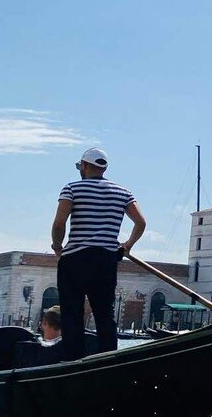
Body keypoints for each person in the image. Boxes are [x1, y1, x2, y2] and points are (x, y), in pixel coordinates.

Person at [50, 147, 146, 360]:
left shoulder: (71, 188)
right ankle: (109, 360)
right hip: (106, 259)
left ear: (84, 166)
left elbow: (59, 224)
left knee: (72, 313)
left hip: (75, 257)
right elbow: (140, 223)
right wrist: (127, 245)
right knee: (105, 314)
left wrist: (58, 247)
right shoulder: (123, 192)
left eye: (79, 166)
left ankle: (73, 361)